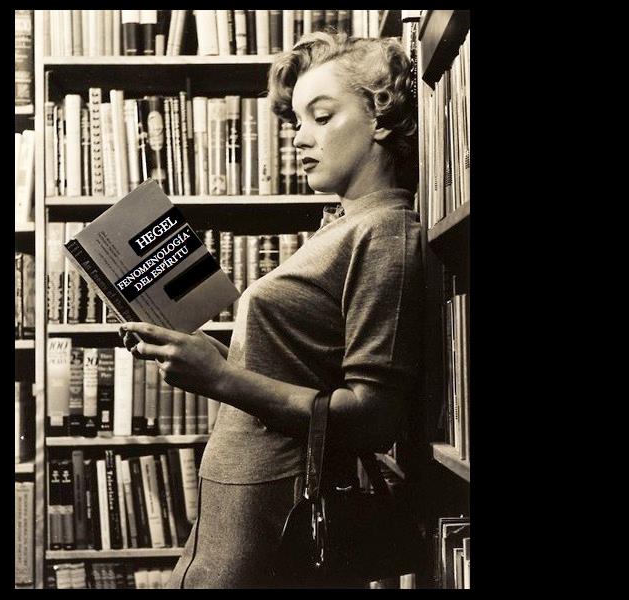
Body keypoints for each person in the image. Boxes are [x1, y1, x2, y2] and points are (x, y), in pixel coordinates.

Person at [117, 31, 423, 588]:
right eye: (296, 122)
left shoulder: (385, 232)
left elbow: (374, 416)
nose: (300, 138)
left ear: (381, 117)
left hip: (280, 505)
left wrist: (221, 380)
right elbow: (297, 364)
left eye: (321, 117)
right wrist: (216, 357)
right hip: (241, 492)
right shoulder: (342, 226)